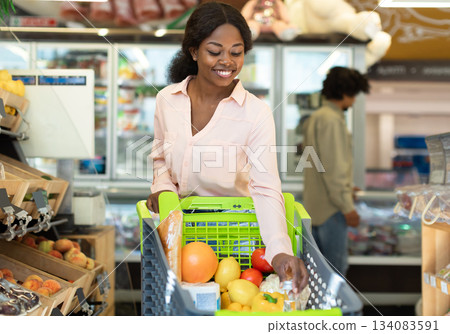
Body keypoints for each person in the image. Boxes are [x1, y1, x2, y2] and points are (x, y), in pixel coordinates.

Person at [146, 1, 308, 293]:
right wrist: (162, 187)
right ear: (194, 51)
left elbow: (266, 186)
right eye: (214, 51)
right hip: (181, 235)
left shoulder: (255, 112)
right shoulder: (167, 100)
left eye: (236, 52)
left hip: (237, 240)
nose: (227, 61)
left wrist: (278, 249)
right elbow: (160, 158)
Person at [302, 66, 369, 277]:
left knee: (319, 274)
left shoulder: (316, 118)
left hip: (315, 208)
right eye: (354, 95)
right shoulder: (332, 120)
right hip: (333, 210)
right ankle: (335, 311)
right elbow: (334, 169)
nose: (354, 101)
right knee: (335, 275)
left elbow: (320, 165)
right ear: (346, 92)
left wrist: (348, 187)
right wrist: (346, 206)